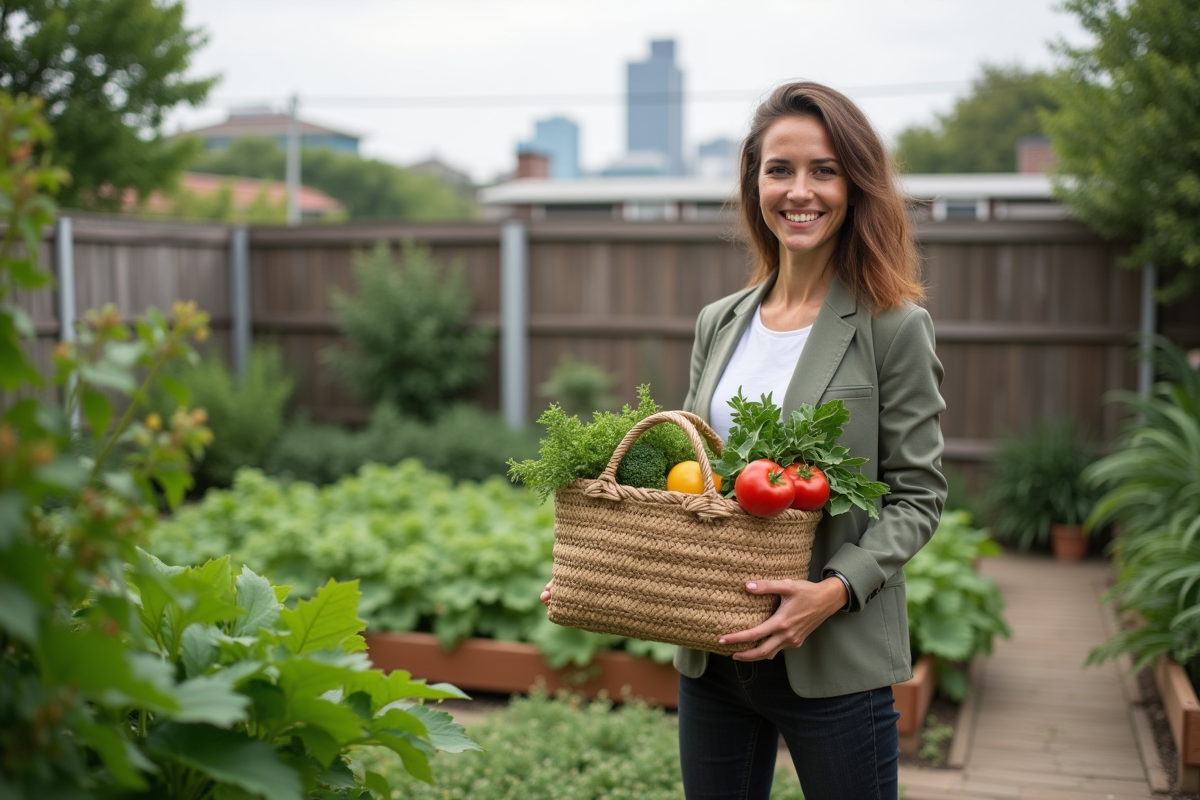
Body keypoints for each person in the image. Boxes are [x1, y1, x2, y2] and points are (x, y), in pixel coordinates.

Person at [544, 81, 946, 800]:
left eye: (824, 169)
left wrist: (832, 591)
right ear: (754, 182)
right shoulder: (720, 322)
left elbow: (919, 496)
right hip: (714, 656)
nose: (801, 191)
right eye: (780, 169)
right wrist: (601, 564)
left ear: (855, 185)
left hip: (833, 660)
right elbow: (701, 484)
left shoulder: (892, 325)